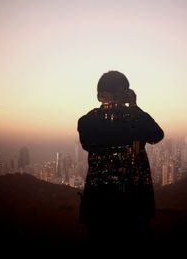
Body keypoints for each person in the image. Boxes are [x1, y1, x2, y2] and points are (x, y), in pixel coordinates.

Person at [77, 71, 164, 247]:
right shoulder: (131, 120)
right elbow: (154, 134)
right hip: (130, 205)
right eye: (115, 93)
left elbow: (157, 135)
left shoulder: (88, 121)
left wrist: (131, 109)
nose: (116, 99)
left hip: (104, 205)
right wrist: (133, 108)